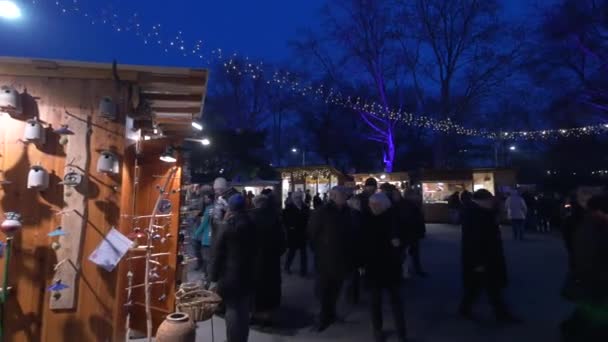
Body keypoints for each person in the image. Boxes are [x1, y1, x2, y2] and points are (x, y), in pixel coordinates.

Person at [459, 189, 520, 323]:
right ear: (483, 200)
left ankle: (466, 309)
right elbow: (473, 241)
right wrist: (478, 262)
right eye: (490, 200)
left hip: (485, 258)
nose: (492, 203)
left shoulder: (478, 213)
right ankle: (501, 314)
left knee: (479, 288)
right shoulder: (475, 216)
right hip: (484, 259)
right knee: (491, 288)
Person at [209, 194, 257, 342]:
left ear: (230, 207)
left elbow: (217, 253)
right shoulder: (252, 223)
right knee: (243, 309)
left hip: (230, 275)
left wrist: (213, 278)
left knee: (233, 310)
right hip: (249, 272)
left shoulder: (227, 226)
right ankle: (242, 338)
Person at [308, 186, 357, 332]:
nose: (346, 197)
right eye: (343, 195)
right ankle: (323, 317)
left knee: (336, 287)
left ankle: (331, 313)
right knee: (324, 289)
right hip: (326, 258)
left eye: (345, 195)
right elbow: (312, 234)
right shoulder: (322, 212)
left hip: (342, 257)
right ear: (334, 196)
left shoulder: (347, 212)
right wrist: (320, 250)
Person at [561, 193, 608, 341]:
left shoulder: (592, 224)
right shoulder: (590, 228)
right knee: (596, 310)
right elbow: (588, 256)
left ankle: (571, 329)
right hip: (595, 278)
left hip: (594, 277)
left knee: (590, 309)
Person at [362, 192, 408, 342]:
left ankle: (401, 331)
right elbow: (360, 242)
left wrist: (398, 246)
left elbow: (403, 238)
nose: (373, 207)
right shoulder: (367, 219)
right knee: (375, 303)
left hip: (390, 267)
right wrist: (361, 263)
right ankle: (377, 330)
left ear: (384, 205)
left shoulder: (393, 219)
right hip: (373, 267)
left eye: (376, 205)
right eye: (371, 204)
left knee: (396, 302)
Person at [249, 194, 286, 327]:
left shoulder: (250, 216)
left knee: (256, 288)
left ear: (255, 203)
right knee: (271, 287)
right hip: (271, 259)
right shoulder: (275, 217)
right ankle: (269, 316)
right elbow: (282, 240)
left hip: (254, 259)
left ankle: (255, 314)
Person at [283, 190, 310, 276]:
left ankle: (303, 271)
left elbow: (308, 219)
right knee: (291, 252)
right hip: (293, 234)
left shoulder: (305, 207)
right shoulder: (288, 208)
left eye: (299, 197)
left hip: (302, 233)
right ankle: (287, 267)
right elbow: (285, 220)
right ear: (293, 198)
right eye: (296, 198)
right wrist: (290, 227)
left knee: (303, 254)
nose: (298, 199)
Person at [403, 189, 428, 277]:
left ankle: (410, 271)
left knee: (411, 253)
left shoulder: (410, 204)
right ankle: (412, 270)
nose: (416, 196)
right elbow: (417, 220)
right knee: (413, 253)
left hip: (411, 232)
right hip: (411, 232)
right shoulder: (411, 205)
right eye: (414, 195)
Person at [193, 191, 215, 278]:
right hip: (212, 236)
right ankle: (208, 275)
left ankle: (207, 276)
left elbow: (204, 223)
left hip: (207, 237)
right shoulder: (214, 207)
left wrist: (196, 233)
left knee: (206, 257)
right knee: (210, 257)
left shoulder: (209, 209)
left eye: (206, 198)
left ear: (210, 199)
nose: (205, 200)